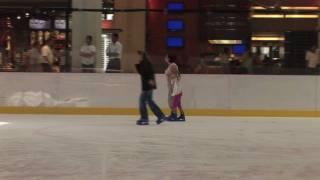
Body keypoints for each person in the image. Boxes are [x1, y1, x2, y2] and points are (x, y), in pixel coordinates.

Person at [135, 51, 166, 126]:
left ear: (143, 56)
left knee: (142, 101)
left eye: (139, 55)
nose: (138, 57)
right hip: (148, 85)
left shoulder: (145, 63)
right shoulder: (144, 63)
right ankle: (160, 116)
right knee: (149, 101)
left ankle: (145, 119)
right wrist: (138, 65)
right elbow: (142, 73)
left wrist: (150, 81)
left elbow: (148, 73)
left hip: (147, 86)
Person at [165, 55, 185, 121]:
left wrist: (172, 80)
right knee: (177, 103)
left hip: (174, 87)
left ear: (169, 58)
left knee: (172, 102)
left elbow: (177, 74)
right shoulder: (171, 65)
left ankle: (174, 115)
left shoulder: (173, 65)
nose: (165, 58)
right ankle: (181, 115)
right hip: (173, 86)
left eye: (166, 57)